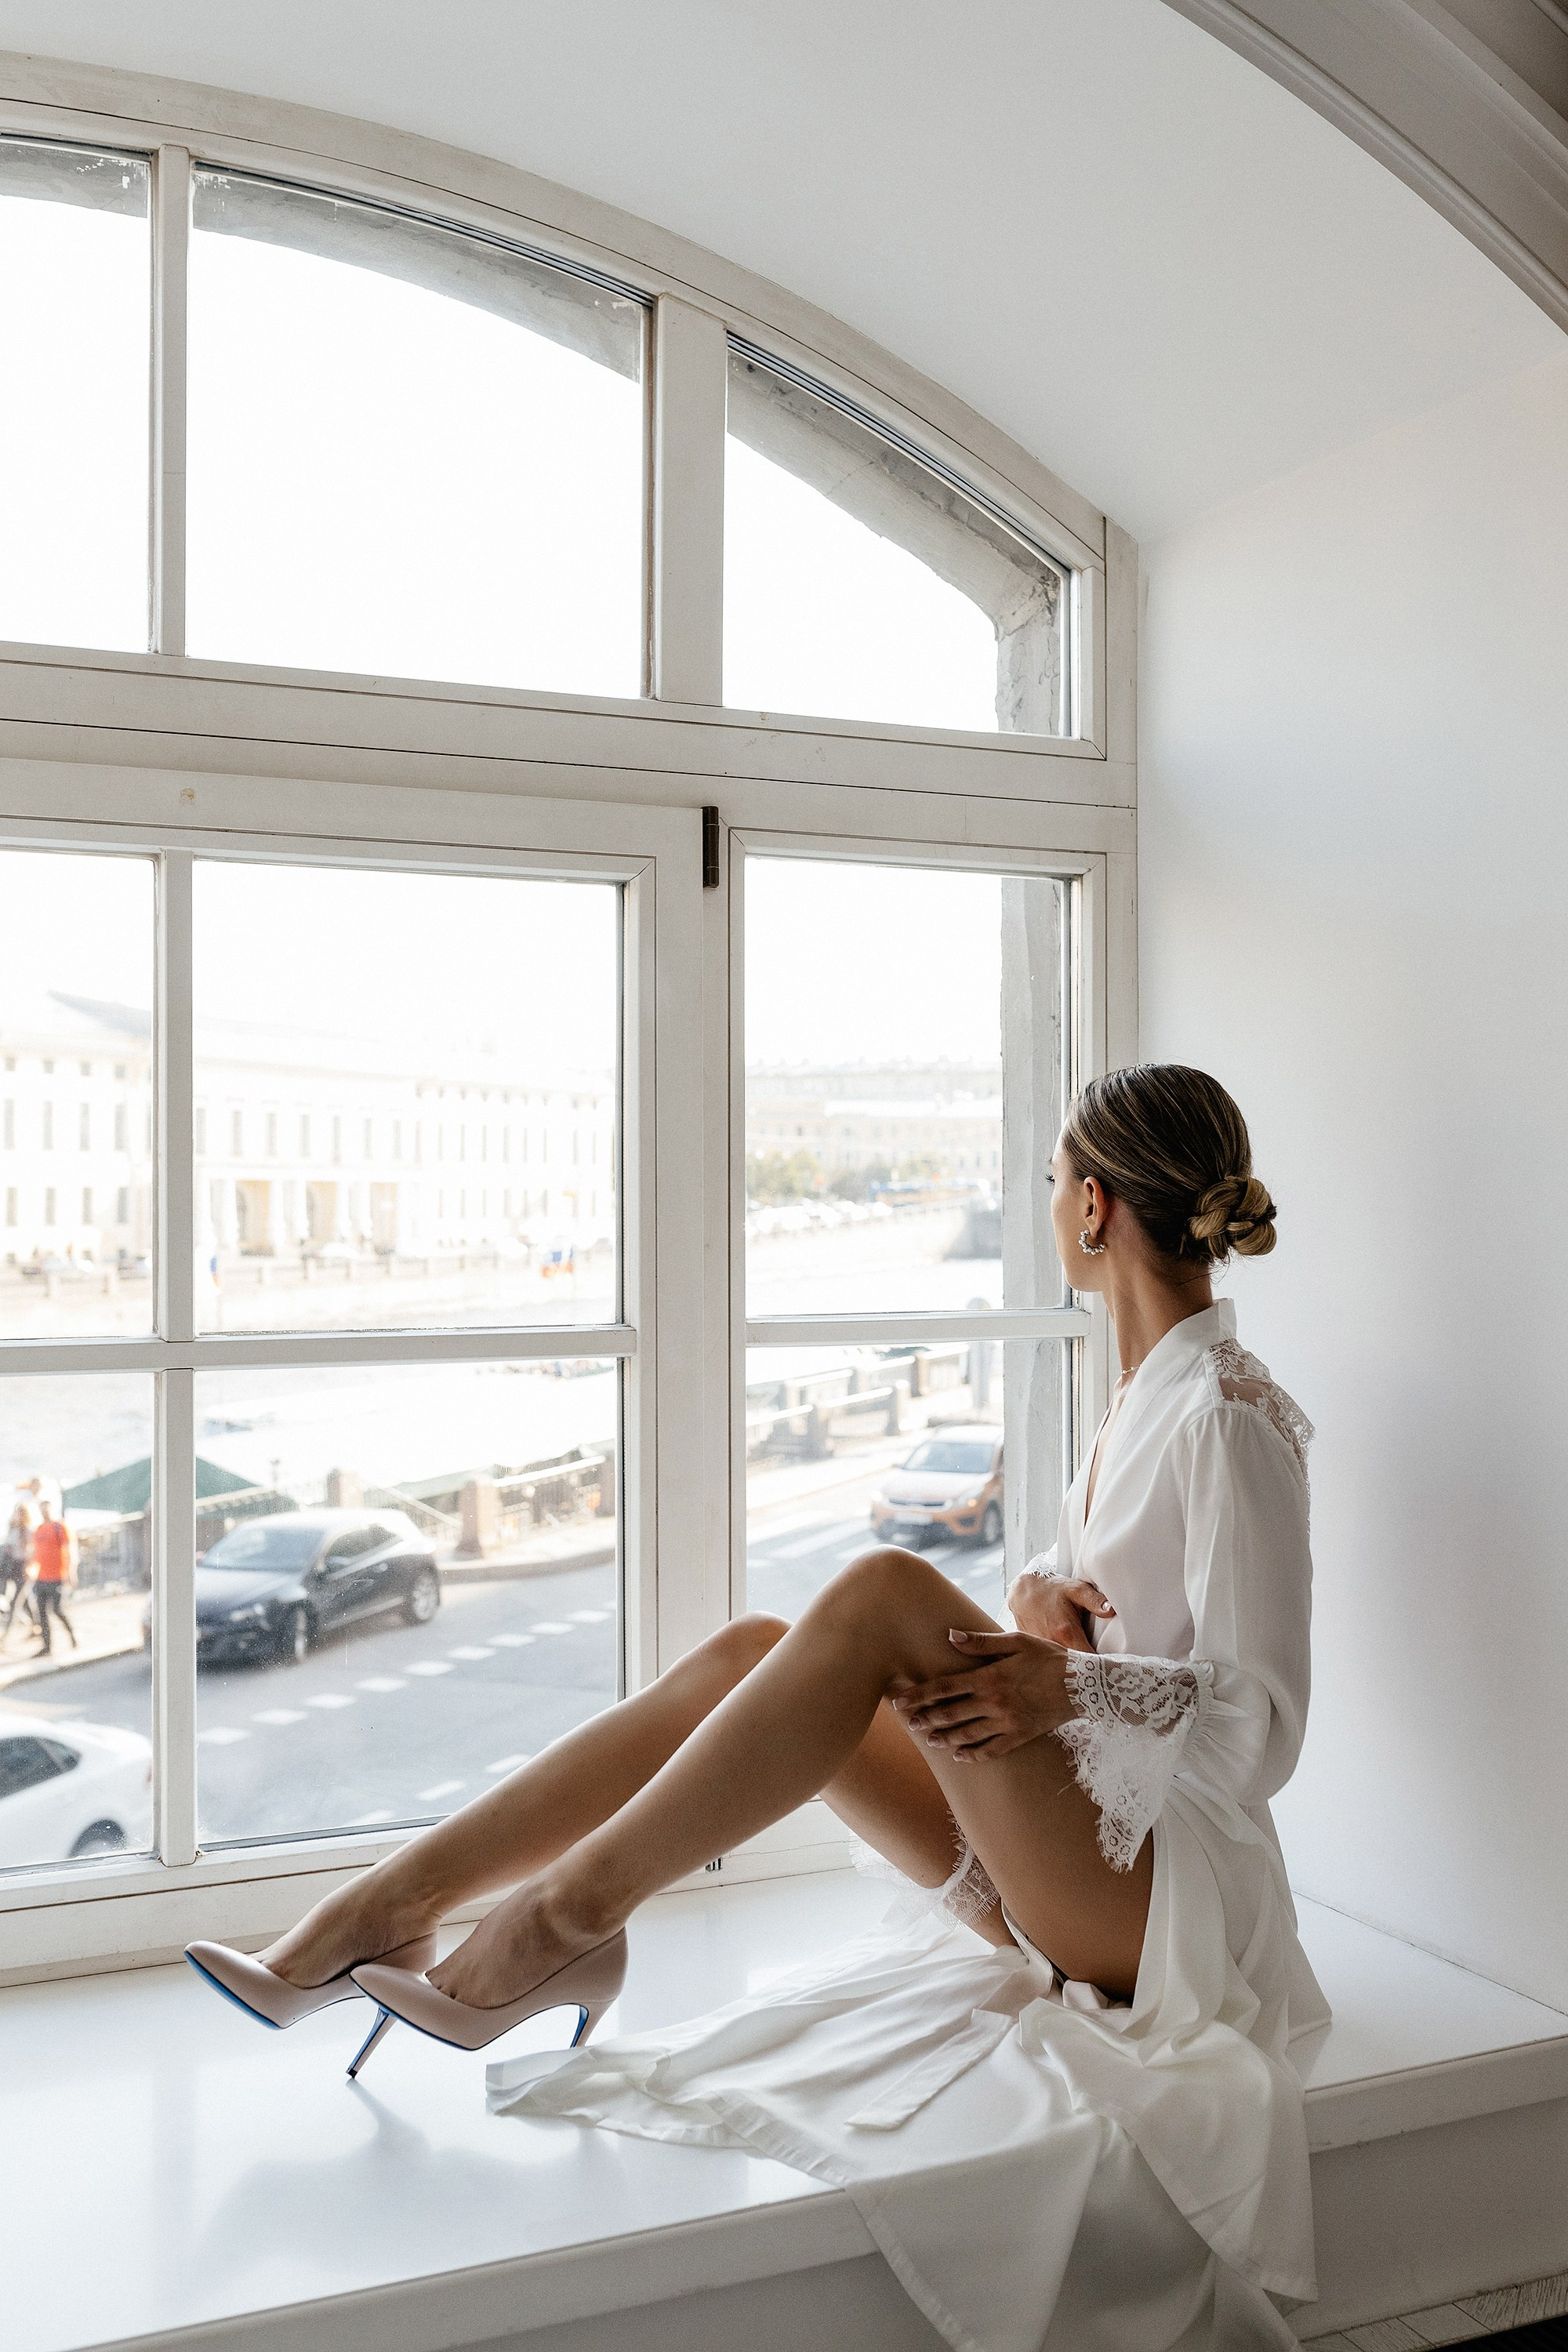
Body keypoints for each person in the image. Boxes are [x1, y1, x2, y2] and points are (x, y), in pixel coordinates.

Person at [187, 1065, 1326, 2352]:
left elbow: (1265, 1733)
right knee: (750, 1651)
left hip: (1167, 1901)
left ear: (1097, 1206)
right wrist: (1044, 1619)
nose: (1047, 1201)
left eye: (1053, 1180)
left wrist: (1062, 1675)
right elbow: (1122, 1672)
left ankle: (559, 1919)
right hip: (1074, 1855)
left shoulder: (1234, 1416)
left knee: (886, 1593)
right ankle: (383, 1912)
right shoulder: (1139, 1402)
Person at [29, 1498, 77, 1657]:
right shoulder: (39, 1530)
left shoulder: (59, 1527)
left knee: (57, 1609)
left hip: (57, 1576)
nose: (44, 1512)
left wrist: (71, 1572)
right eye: (42, 1509)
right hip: (42, 1577)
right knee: (41, 1612)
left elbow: (68, 1550)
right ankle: (47, 1646)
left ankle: (72, 1634)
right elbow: (36, 1553)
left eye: (46, 1509)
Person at [0, 1498, 35, 1643]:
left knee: (16, 1603)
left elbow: (31, 1553)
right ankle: (38, 1626)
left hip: (22, 1569)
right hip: (12, 1568)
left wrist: (28, 1568)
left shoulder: (27, 1532)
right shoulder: (12, 1530)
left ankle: (5, 1637)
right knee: (26, 1600)